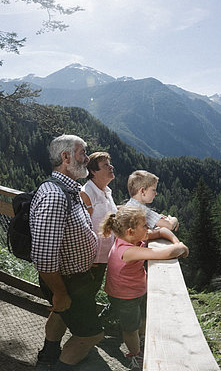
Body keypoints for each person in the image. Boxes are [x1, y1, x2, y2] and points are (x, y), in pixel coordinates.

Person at [30, 135, 104, 370]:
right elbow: (43, 256)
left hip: (72, 278)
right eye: (83, 153)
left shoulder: (69, 189)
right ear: (66, 157)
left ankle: (48, 358)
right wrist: (60, 292)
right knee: (91, 335)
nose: (87, 158)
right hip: (66, 281)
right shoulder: (55, 195)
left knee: (60, 315)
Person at [102, 205, 188, 370]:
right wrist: (181, 248)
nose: (149, 228)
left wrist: (177, 242)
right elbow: (163, 254)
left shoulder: (131, 237)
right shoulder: (127, 250)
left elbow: (162, 231)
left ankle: (140, 341)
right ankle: (136, 356)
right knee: (130, 328)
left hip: (137, 290)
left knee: (142, 317)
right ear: (130, 231)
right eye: (145, 225)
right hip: (124, 296)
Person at [80, 152, 118, 288]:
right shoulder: (86, 193)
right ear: (93, 171)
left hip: (103, 257)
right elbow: (82, 228)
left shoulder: (106, 192)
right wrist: (89, 260)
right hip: (91, 260)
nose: (111, 167)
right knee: (85, 293)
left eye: (110, 163)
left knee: (93, 290)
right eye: (105, 165)